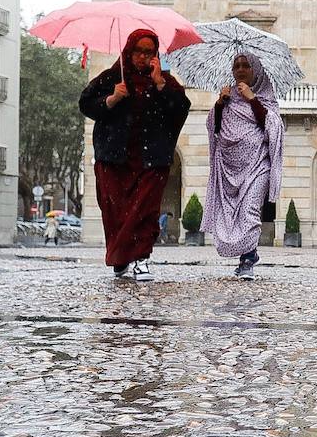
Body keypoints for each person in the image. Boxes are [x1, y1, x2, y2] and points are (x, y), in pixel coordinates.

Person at [79, 29, 191, 282]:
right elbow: (86, 104)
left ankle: (142, 259)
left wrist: (161, 84)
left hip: (151, 160)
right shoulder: (111, 77)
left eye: (149, 52)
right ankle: (120, 257)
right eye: (139, 51)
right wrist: (111, 99)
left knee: (145, 210)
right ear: (129, 52)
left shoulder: (165, 81)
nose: (143, 57)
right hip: (115, 159)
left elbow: (180, 110)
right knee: (116, 211)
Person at [202, 52, 284, 279]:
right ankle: (249, 253)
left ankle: (247, 259)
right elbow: (215, 129)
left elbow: (273, 126)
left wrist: (252, 99)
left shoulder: (264, 96)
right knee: (233, 215)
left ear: (255, 70)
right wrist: (219, 104)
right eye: (236, 65)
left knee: (249, 209)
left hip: (257, 165)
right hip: (229, 168)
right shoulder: (227, 98)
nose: (240, 69)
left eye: (245, 65)